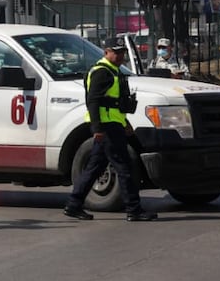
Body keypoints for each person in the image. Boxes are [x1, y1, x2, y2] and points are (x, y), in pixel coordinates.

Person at [64, 36, 157, 222]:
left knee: (95, 167)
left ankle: (74, 204)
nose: (120, 55)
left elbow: (115, 105)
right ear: (106, 52)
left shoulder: (114, 71)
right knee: (124, 167)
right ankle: (134, 209)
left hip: (113, 125)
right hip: (107, 128)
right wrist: (97, 128)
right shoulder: (101, 72)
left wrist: (125, 123)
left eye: (122, 52)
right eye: (116, 52)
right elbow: (93, 101)